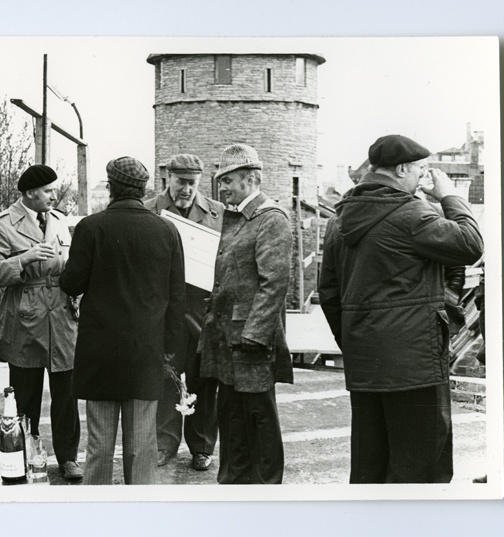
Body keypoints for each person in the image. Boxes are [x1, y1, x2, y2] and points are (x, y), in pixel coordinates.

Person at [318, 134, 483, 483]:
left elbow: (329, 294)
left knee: (371, 465)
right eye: (421, 169)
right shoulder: (411, 214)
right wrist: (451, 195)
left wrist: (356, 343)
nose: (424, 176)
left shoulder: (339, 219)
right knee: (420, 467)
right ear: (403, 168)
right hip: (415, 365)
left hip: (366, 365)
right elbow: (470, 244)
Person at [61, 157, 186, 485]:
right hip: (146, 351)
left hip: (99, 351)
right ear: (144, 188)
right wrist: (171, 350)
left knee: (100, 444)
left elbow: (72, 283)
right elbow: (176, 298)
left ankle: (94, 517)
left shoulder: (90, 227)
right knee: (142, 445)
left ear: (111, 186)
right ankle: (141, 516)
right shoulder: (167, 230)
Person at [0, 164, 83, 481]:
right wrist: (23, 259)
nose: (54, 196)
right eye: (49, 191)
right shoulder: (2, 224)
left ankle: (68, 458)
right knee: (25, 395)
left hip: (62, 315)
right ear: (29, 194)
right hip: (25, 315)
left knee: (66, 393)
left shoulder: (59, 221)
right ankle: (21, 457)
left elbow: (69, 263)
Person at [199, 143, 293, 484]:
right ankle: (234, 484)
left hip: (251, 341)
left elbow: (274, 283)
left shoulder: (271, 219)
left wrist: (255, 335)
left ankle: (268, 489)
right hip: (227, 339)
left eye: (229, 180)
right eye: (220, 180)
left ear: (252, 179)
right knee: (232, 415)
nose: (221, 187)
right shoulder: (237, 217)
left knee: (259, 417)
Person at [143, 153, 223, 471]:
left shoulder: (216, 213)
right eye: (181, 182)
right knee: (166, 378)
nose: (186, 189)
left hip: (203, 312)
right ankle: (165, 444)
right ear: (168, 179)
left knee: (205, 379)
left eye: (192, 183)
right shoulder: (150, 211)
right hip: (165, 313)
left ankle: (202, 447)